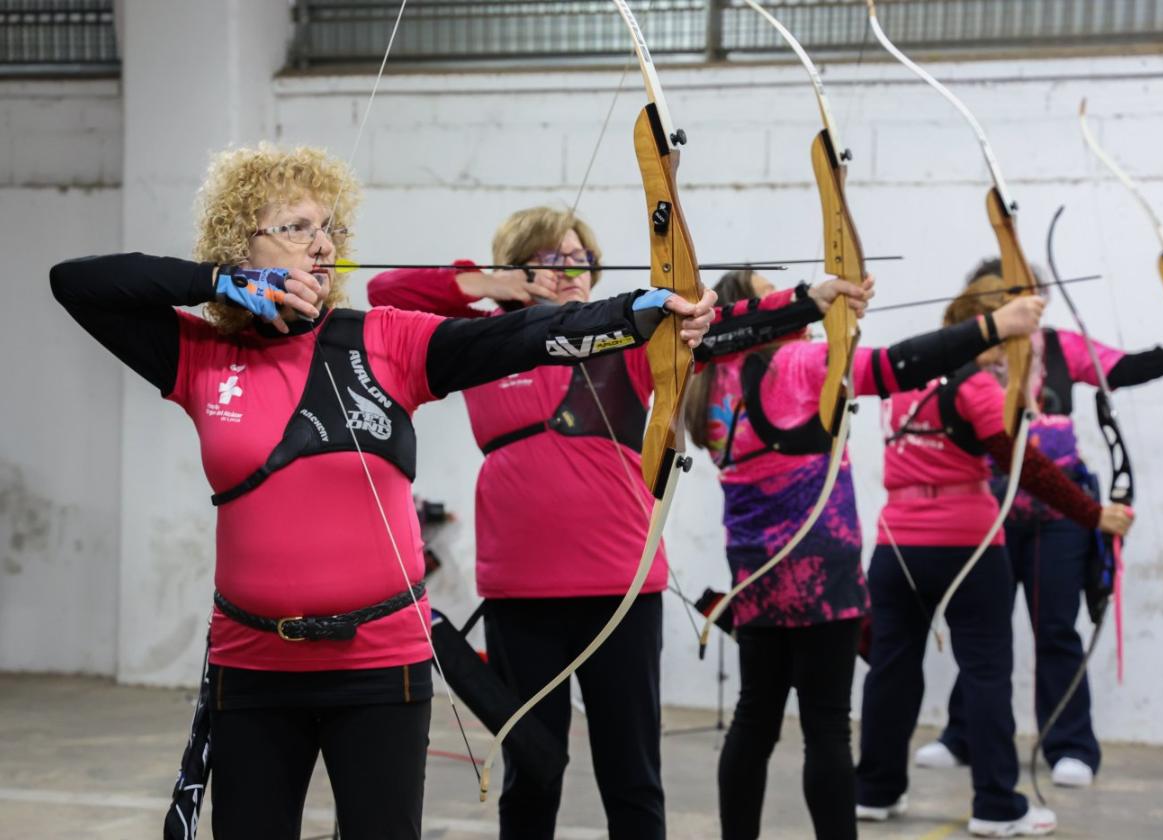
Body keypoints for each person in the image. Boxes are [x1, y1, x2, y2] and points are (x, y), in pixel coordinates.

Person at [49, 146, 716, 840]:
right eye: (297, 226)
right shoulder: (201, 354)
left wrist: (636, 313)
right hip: (253, 665)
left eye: (329, 227)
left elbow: (527, 334)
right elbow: (76, 283)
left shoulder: (384, 341)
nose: (322, 243)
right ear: (241, 241)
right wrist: (216, 283)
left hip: (380, 667)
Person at [366, 207, 868, 840]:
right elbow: (386, 292)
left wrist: (810, 300)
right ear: (517, 264)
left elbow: (719, 327)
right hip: (520, 594)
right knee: (533, 771)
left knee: (631, 776)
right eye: (552, 258)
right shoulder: (482, 343)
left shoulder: (627, 336)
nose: (571, 270)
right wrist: (498, 288)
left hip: (621, 593)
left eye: (581, 259)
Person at [682, 269, 1046, 840]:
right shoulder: (798, 366)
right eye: (774, 292)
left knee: (755, 718)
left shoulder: (707, 380)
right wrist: (995, 325)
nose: (793, 302)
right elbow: (898, 365)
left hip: (753, 570)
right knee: (827, 727)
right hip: (821, 569)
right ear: (761, 310)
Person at [855, 273, 1135, 837]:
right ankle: (996, 806)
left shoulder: (907, 382)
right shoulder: (979, 387)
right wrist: (1093, 514)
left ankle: (876, 790)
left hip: (895, 546)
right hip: (967, 546)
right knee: (986, 672)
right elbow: (1026, 468)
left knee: (891, 668)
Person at [914, 259, 1163, 788]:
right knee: (983, 632)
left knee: (1056, 630)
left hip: (1061, 517)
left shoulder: (1061, 348)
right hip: (990, 513)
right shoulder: (970, 351)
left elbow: (1116, 366)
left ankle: (1070, 746)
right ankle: (963, 736)